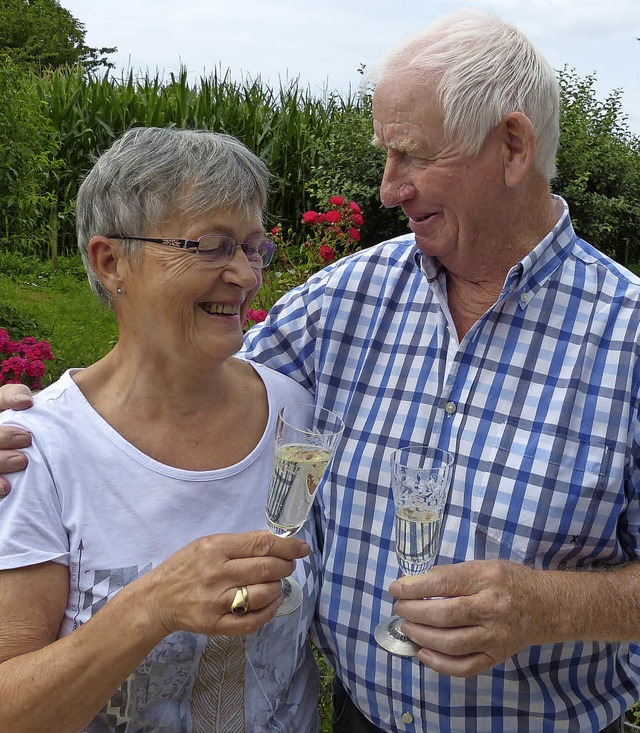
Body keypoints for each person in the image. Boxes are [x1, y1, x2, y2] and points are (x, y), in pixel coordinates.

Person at [1, 9, 639, 733]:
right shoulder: (346, 301)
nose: (387, 188)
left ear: (513, 146)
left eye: (410, 155)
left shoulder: (628, 334)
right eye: (385, 156)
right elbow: (172, 368)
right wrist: (40, 421)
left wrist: (552, 607)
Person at [0, 126, 321, 732]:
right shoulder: (35, 450)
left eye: (253, 247)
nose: (246, 275)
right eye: (211, 246)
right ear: (111, 260)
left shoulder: (293, 416)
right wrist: (155, 604)